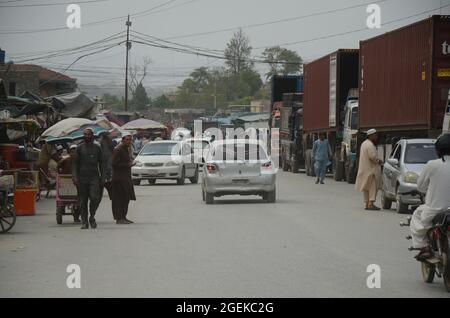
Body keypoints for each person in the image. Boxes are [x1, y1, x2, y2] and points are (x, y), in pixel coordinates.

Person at [410, 133, 450, 260]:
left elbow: (421, 187)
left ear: (438, 150)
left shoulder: (432, 164)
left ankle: (424, 247)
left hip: (435, 209)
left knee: (417, 216)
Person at [72, 128, 104, 229]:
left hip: (94, 177)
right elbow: (75, 164)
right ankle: (84, 221)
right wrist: (75, 177)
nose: (87, 136)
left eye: (88, 134)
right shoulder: (79, 148)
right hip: (82, 178)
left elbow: (102, 163)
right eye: (85, 134)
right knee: (83, 201)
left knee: (95, 198)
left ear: (92, 136)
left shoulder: (97, 148)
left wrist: (103, 177)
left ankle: (92, 216)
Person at [111, 133, 136, 224]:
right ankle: (119, 218)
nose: (129, 141)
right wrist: (128, 165)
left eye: (130, 140)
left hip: (125, 178)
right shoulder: (118, 150)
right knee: (119, 199)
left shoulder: (125, 150)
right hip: (119, 179)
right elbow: (114, 164)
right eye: (127, 140)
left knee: (126, 198)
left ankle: (123, 216)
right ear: (123, 140)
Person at [355, 129, 383, 210]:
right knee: (372, 187)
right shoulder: (370, 145)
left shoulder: (364, 144)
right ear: (371, 135)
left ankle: (366, 203)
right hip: (371, 171)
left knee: (366, 187)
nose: (376, 136)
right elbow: (372, 157)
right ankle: (371, 203)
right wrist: (379, 161)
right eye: (375, 135)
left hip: (365, 170)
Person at [100, 132, 114, 198]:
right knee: (103, 170)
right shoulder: (101, 141)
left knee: (109, 169)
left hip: (109, 156)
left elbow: (112, 148)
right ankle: (104, 183)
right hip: (103, 157)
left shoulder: (109, 140)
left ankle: (109, 182)